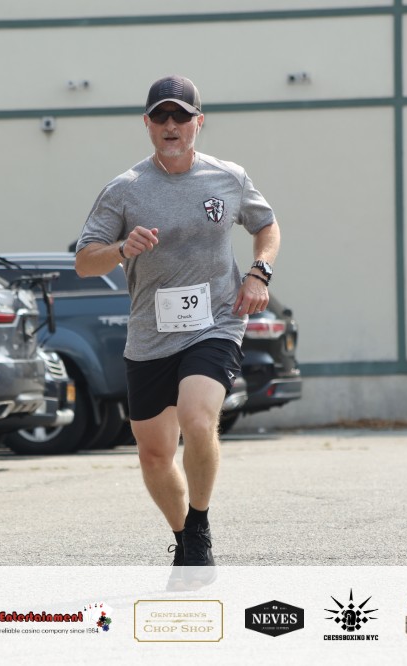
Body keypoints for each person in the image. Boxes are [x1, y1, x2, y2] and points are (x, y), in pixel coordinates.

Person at [74, 75, 281, 578]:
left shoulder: (228, 178)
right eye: (162, 116)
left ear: (198, 123)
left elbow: (266, 226)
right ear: (147, 123)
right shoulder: (124, 189)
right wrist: (121, 249)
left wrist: (258, 272)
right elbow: (84, 261)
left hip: (215, 322)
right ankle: (184, 538)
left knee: (197, 417)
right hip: (150, 334)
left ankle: (201, 524)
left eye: (182, 116)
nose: (172, 125)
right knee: (154, 454)